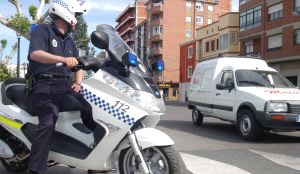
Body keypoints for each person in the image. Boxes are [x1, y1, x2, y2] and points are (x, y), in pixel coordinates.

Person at [26, 0, 98, 173]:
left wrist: (78, 82)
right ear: (66, 12)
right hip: (43, 84)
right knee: (48, 121)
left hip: (65, 85)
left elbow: (78, 65)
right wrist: (62, 59)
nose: (77, 19)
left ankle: (96, 157)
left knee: (88, 109)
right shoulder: (43, 30)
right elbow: (35, 53)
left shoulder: (69, 41)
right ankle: (36, 169)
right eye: (77, 15)